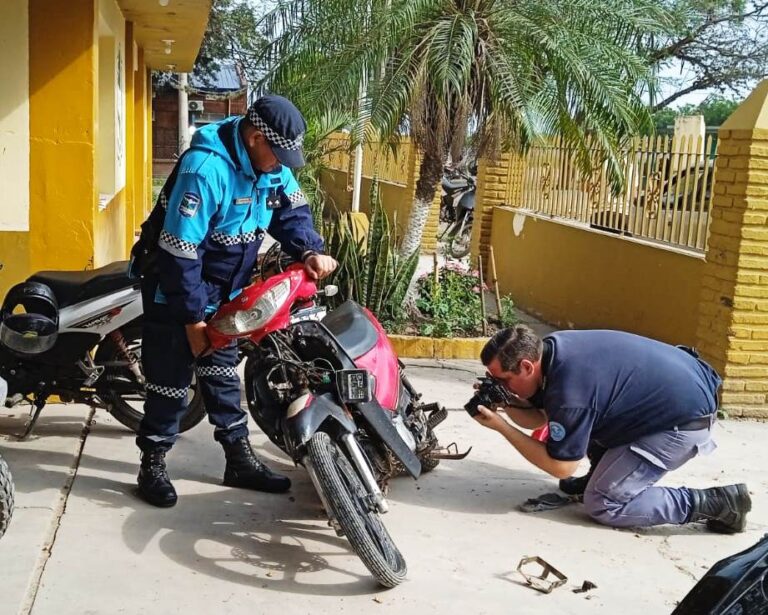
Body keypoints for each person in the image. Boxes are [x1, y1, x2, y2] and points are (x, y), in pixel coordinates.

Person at [130, 94, 337, 508]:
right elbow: (179, 254)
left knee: (223, 376)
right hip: (177, 288)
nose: (281, 163)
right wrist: (191, 322)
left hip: (226, 290)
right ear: (256, 137)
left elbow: (291, 212)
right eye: (276, 153)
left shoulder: (270, 168)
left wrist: (310, 251)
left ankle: (238, 460)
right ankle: (152, 463)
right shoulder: (205, 169)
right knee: (170, 383)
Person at [472, 325, 752, 533]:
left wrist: (502, 427)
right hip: (680, 389)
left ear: (525, 366)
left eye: (504, 380)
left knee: (603, 502)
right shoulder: (551, 350)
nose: (502, 386)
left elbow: (561, 467)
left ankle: (717, 502)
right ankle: (603, 471)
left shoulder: (571, 391)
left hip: (683, 423)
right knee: (587, 418)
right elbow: (540, 417)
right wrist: (505, 400)